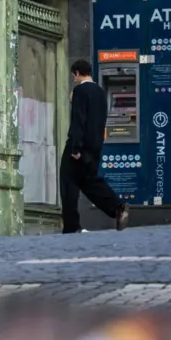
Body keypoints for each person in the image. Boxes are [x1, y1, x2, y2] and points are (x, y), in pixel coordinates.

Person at [60, 59, 129, 234]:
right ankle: (117, 207)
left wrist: (75, 148)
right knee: (89, 182)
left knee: (69, 183)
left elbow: (79, 120)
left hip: (79, 147)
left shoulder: (80, 91)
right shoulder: (100, 91)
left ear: (76, 73)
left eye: (73, 76)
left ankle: (72, 226)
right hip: (95, 147)